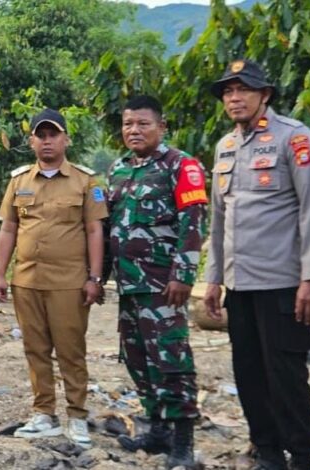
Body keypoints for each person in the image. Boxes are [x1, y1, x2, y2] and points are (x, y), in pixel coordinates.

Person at [203, 59, 310, 470]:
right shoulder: (224, 146)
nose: (234, 98)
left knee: (286, 374)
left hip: (283, 283)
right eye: (227, 91)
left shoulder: (294, 139)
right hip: (240, 284)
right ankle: (268, 451)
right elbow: (219, 219)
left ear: (265, 95)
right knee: (249, 373)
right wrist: (214, 278)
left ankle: (302, 456)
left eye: (243, 90)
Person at [0, 108, 106, 448]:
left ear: (66, 139)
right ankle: (44, 413)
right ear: (31, 141)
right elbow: (9, 227)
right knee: (36, 350)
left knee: (71, 351)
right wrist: (0, 274)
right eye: (40, 135)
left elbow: (94, 229)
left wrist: (95, 278)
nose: (47, 141)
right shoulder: (19, 181)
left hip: (69, 283)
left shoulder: (86, 182)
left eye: (53, 134)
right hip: (27, 281)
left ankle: (77, 416)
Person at [105, 95, 206, 469]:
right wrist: (99, 277)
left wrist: (183, 275)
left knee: (171, 361)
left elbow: (192, 223)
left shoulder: (181, 165)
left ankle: (183, 444)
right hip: (129, 287)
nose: (134, 130)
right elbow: (108, 226)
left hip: (163, 286)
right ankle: (158, 429)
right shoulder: (119, 170)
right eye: (129, 123)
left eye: (143, 123)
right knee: (138, 359)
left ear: (161, 127)